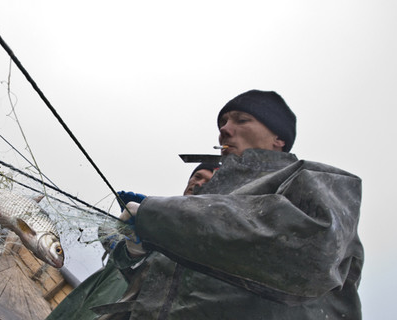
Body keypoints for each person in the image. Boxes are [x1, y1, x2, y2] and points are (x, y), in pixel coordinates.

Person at [91, 89, 364, 319]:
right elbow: (164, 292)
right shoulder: (205, 204)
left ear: (279, 139)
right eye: (222, 123)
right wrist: (136, 255)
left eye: (241, 120)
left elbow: (310, 252)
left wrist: (160, 216)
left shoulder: (318, 180)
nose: (225, 130)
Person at [46, 164, 219, 320]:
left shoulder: (205, 245)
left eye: (208, 181)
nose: (199, 183)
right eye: (197, 176)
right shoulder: (152, 215)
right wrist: (127, 242)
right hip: (89, 298)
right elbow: (106, 233)